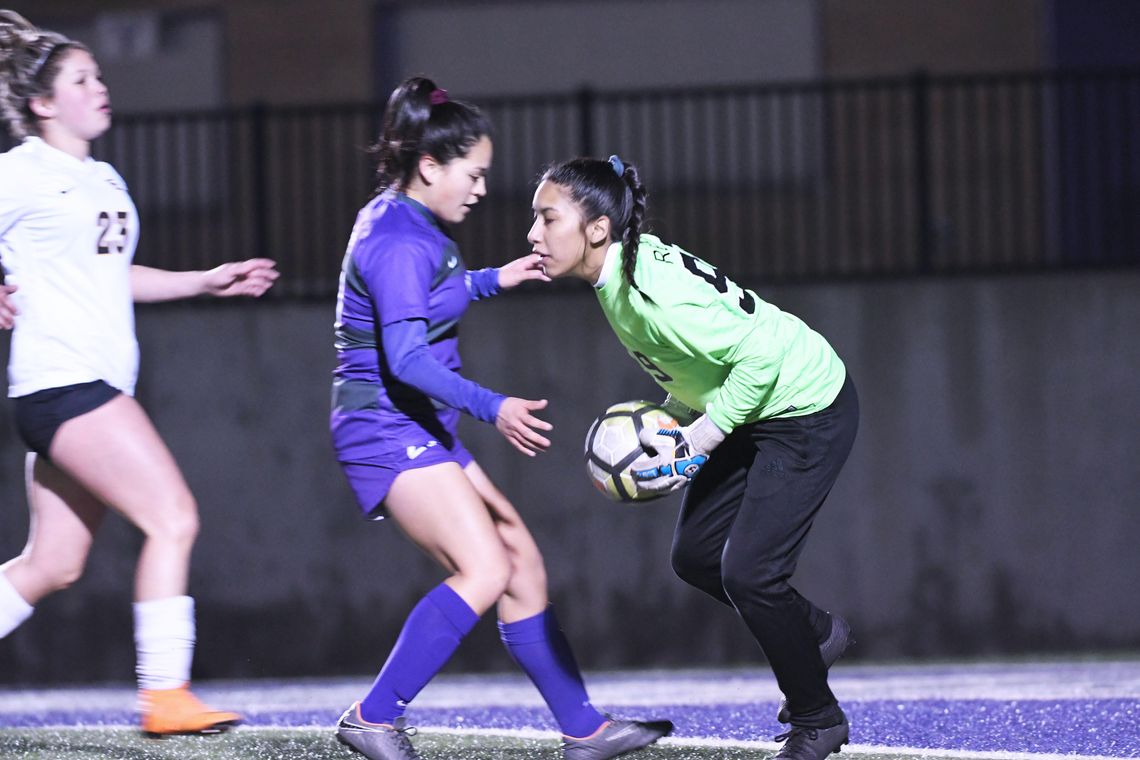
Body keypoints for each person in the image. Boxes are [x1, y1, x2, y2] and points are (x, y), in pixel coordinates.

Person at [329, 76, 672, 760]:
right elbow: (404, 357)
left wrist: (490, 280)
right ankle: (372, 716)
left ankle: (585, 730)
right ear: (430, 166)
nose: (482, 188)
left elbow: (425, 301)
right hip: (386, 428)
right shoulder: (399, 239)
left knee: (520, 565)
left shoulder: (408, 221)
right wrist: (495, 406)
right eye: (474, 173)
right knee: (484, 567)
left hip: (415, 426)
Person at [0, 10, 279, 736]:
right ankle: (165, 696)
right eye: (82, 79)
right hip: (64, 383)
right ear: (41, 103)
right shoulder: (21, 173)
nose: (100, 88)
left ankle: (165, 695)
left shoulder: (102, 176)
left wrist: (202, 280)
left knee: (52, 565)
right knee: (173, 517)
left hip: (83, 386)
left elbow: (111, 276)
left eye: (99, 76)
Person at [527, 155, 860, 760]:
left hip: (805, 406)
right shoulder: (621, 276)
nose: (533, 234)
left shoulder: (650, 296)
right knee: (698, 556)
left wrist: (700, 437)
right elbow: (699, 365)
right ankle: (816, 632)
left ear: (596, 229)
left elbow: (760, 355)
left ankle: (819, 721)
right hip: (748, 405)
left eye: (548, 219)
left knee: (751, 574)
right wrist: (675, 420)